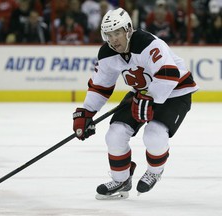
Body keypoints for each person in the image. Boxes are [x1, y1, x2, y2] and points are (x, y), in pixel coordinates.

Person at [72, 7, 198, 200]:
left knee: (154, 134)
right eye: (109, 35)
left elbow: (168, 75)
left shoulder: (148, 43)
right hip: (143, 93)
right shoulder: (107, 54)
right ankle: (121, 179)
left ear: (128, 30)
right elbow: (100, 86)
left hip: (175, 91)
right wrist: (87, 112)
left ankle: (155, 170)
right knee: (115, 134)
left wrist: (149, 98)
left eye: (117, 33)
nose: (113, 39)